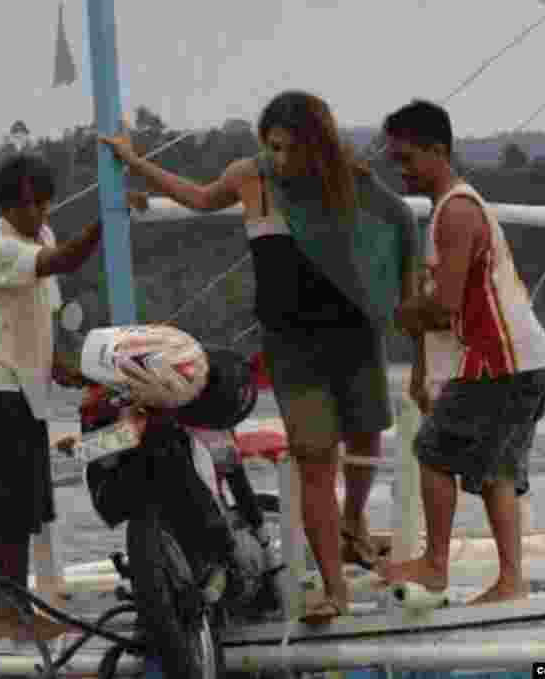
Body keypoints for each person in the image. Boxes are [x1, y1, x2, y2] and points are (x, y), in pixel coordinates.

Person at [100, 90, 420, 623]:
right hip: (292, 345)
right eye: (270, 147)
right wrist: (136, 165)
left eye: (289, 148)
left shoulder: (346, 177)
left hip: (356, 336)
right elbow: (201, 198)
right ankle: (335, 589)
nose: (279, 159)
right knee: (315, 458)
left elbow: (403, 223)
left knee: (365, 436)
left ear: (316, 145)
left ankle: (355, 523)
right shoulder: (252, 176)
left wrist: (402, 297)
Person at [381, 99, 545, 604]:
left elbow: (443, 309)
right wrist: (422, 362)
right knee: (497, 471)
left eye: (408, 159)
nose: (402, 171)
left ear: (438, 151)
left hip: (502, 364)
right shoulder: (455, 208)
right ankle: (511, 581)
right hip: (525, 362)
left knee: (434, 451)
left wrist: (396, 313)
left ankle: (435, 566)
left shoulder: (456, 212)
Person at [0, 153, 103, 642]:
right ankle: (8, 615)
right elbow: (63, 260)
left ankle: (14, 610)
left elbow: (44, 313)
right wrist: (106, 219)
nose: (42, 214)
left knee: (24, 510)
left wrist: (66, 367)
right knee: (6, 515)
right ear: (7, 207)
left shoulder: (39, 233)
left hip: (28, 393)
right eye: (31, 205)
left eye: (46, 203)